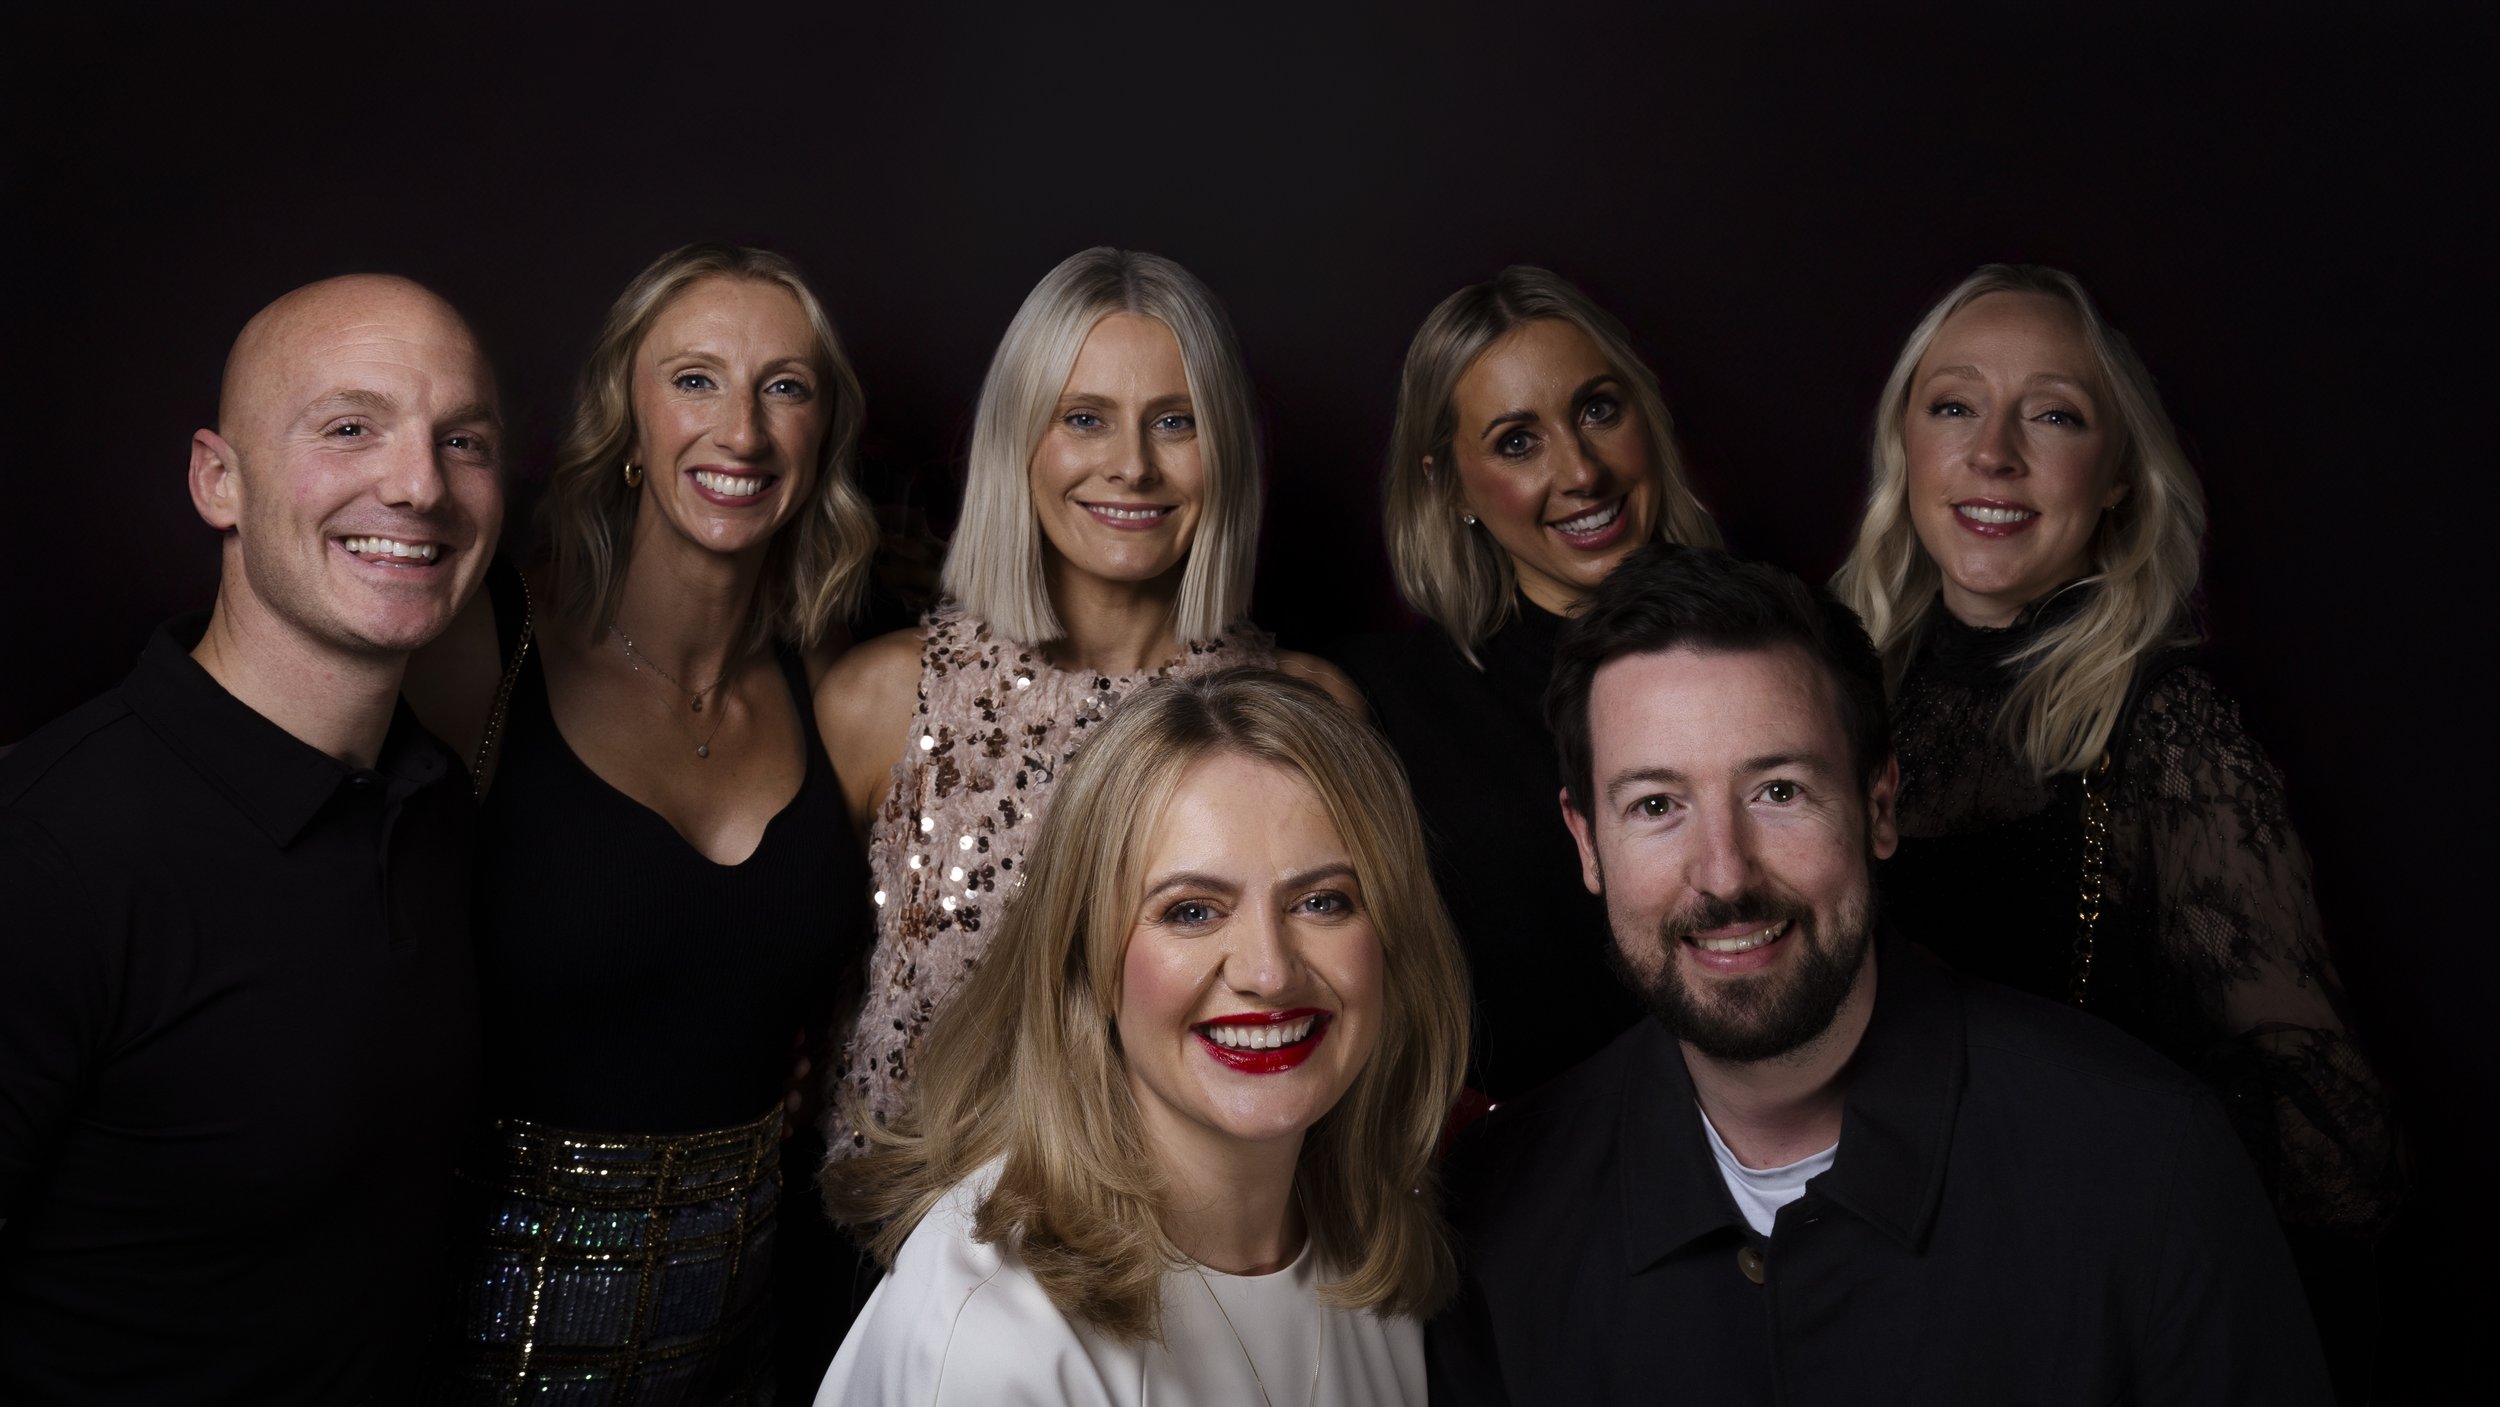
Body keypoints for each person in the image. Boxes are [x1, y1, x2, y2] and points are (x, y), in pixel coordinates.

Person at [1426, 544, 2330, 1405]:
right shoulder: (1494, 1214)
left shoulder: (2151, 1165)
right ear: (1588, 843)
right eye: (1656, 804)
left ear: (1879, 805)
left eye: (1779, 791)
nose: (1725, 874)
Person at [1829, 264, 2394, 1350]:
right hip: (1876, 1292)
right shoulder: (1833, 696)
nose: (1994, 452)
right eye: (1953, 405)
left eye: (2053, 415)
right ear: (1905, 446)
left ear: (2121, 478)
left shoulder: (2170, 725)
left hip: (2074, 1304)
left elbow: (2325, 1123)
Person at [0, 275, 503, 1401]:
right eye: (349, 428)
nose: (420, 485)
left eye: (462, 441)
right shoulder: (44, 854)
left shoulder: (435, 806)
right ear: (217, 481)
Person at [408, 243, 878, 1402]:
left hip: (746, 1330)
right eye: (695, 380)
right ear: (627, 423)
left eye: (784, 387)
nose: (742, 432)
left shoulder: (830, 681)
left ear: (820, 435)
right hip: (484, 1326)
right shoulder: (481, 650)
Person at [818, 247, 1358, 1155]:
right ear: (1019, 440)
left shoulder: (1308, 711)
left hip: (1210, 1224)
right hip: (919, 1226)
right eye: (1085, 418)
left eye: (1175, 422)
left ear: (1226, 446)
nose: (1132, 466)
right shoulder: (883, 700)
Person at [818, 669, 1469, 1405]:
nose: (1269, 972)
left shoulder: (1369, 1246)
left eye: (1322, 901)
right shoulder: (989, 1334)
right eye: (1192, 911)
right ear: (1087, 962)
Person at [1335, 266, 1720, 1098]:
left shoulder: (1776, 647)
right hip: (1530, 1162)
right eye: (1518, 441)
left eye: (1598, 410)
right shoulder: (1384, 703)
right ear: (1450, 483)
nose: (1580, 471)